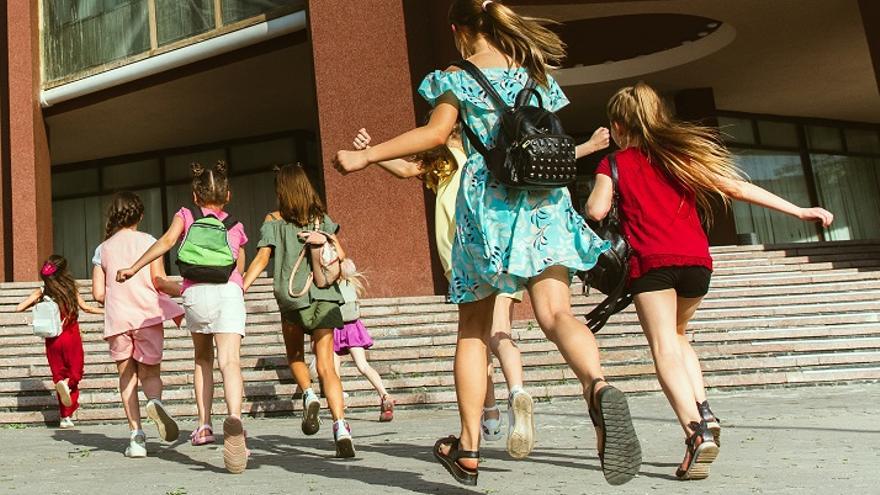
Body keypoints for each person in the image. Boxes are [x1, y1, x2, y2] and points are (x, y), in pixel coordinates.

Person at [334, 0, 642, 486]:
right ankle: (598, 385)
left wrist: (367, 155)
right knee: (557, 314)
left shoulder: (455, 75)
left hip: (490, 209)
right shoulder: (532, 71)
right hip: (545, 203)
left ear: (458, 31)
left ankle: (470, 446)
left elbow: (435, 134)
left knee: (474, 329)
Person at [586, 82, 834, 480]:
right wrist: (800, 211)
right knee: (680, 335)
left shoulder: (615, 163)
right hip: (697, 262)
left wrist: (601, 186)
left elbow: (596, 211)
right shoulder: (681, 155)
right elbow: (738, 187)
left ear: (617, 124)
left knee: (663, 345)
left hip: (652, 263)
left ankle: (695, 433)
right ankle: (704, 409)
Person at [349, 123, 611, 457]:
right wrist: (587, 146)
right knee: (507, 328)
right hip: (513, 240)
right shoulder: (497, 156)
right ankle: (522, 392)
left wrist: (370, 154)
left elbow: (405, 167)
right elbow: (541, 155)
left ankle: (485, 416)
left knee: (476, 336)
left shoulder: (455, 157)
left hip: (473, 253)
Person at [116, 161, 250, 474]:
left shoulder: (186, 215)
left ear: (194, 194)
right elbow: (239, 269)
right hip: (228, 292)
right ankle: (236, 421)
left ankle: (204, 425)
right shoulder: (236, 225)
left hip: (195, 294)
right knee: (229, 361)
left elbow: (164, 243)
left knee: (203, 359)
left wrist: (134, 268)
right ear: (227, 195)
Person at [242, 163, 355, 458]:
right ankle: (341, 427)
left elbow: (262, 259)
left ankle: (308, 395)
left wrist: (241, 286)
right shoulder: (322, 220)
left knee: (295, 357)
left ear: (282, 190)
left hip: (292, 301)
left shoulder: (273, 220)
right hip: (325, 297)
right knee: (327, 366)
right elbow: (341, 256)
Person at [91, 192, 185, 458]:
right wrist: (183, 292)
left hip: (119, 319)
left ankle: (136, 437)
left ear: (113, 216)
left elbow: (98, 293)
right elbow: (159, 280)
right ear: (140, 215)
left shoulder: (102, 249)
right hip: (147, 316)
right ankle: (155, 401)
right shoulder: (151, 242)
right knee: (150, 374)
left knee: (127, 377)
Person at [16, 255, 103, 429]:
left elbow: (19, 307)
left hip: (52, 339)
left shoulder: (42, 291)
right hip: (70, 336)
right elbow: (86, 308)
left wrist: (38, 304)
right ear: (63, 271)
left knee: (59, 375)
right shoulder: (70, 288)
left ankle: (64, 417)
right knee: (74, 374)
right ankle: (68, 399)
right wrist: (107, 312)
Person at [333, 258, 394, 422]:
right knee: (363, 366)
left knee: (334, 370)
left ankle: (339, 402)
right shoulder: (351, 284)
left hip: (334, 327)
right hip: (353, 327)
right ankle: (384, 394)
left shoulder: (331, 286)